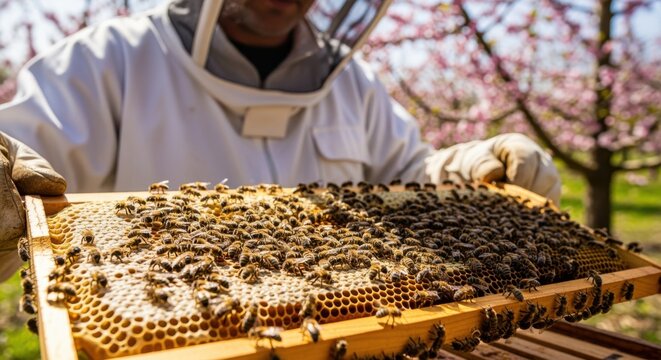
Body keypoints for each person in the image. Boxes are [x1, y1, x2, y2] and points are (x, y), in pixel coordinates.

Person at [0, 0, 561, 281]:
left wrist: (470, 170)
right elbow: (24, 166)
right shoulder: (104, 62)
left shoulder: (354, 84)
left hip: (348, 332)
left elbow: (406, 174)